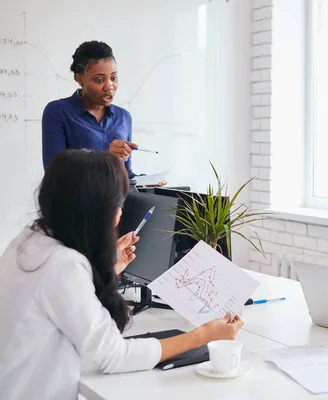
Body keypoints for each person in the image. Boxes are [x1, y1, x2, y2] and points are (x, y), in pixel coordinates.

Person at [0, 150, 243, 399]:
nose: (120, 213)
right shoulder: (63, 265)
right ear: (98, 211)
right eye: (119, 203)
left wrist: (110, 269)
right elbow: (112, 356)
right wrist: (203, 336)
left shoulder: (29, 240)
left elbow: (64, 303)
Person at [42, 41, 141, 180]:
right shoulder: (58, 112)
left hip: (115, 201)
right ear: (79, 79)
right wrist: (106, 158)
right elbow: (53, 172)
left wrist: (148, 183)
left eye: (113, 78)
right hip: (76, 200)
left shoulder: (123, 117)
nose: (109, 86)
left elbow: (126, 174)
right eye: (99, 80)